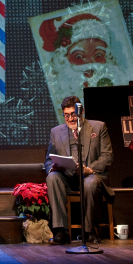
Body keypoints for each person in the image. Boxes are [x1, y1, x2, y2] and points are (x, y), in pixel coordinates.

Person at [44, 95, 114, 245]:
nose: (70, 119)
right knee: (53, 178)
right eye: (66, 115)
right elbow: (48, 160)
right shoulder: (56, 132)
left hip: (90, 175)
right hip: (68, 177)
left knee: (90, 183)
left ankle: (89, 231)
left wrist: (89, 169)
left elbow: (107, 156)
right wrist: (54, 167)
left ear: (81, 112)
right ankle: (61, 231)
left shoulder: (98, 127)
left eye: (73, 114)